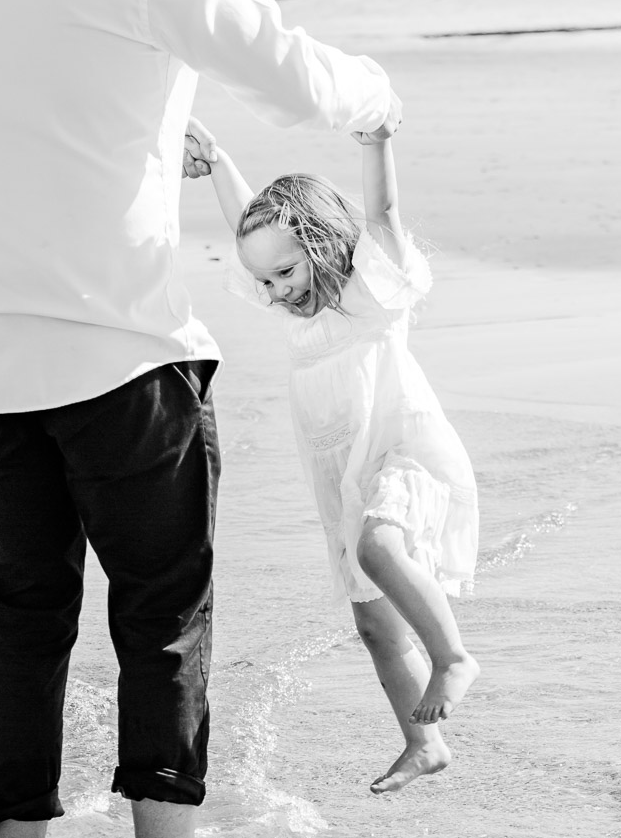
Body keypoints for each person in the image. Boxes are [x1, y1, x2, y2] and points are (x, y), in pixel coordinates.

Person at [0, 0, 402, 838]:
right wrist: (378, 97)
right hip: (121, 355)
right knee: (162, 618)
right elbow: (293, 71)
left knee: (22, 623)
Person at [185, 118, 480, 794]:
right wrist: (221, 159)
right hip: (342, 475)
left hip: (404, 450)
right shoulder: (300, 314)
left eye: (286, 272)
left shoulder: (369, 293)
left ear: (320, 244)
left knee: (381, 550)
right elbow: (247, 226)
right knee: (372, 622)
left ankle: (452, 654)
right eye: (265, 281)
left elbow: (384, 212)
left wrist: (378, 144)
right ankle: (423, 743)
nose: (276, 290)